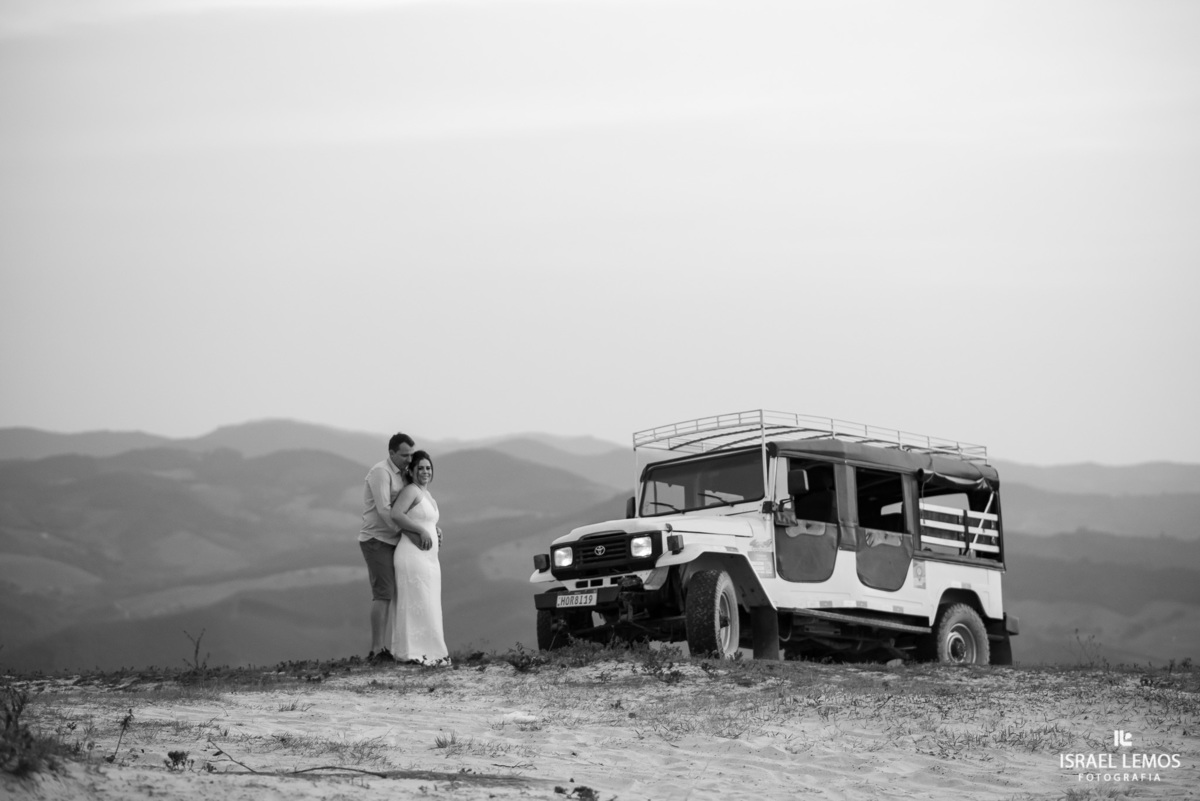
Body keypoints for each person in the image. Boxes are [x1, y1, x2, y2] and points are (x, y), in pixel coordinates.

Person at [358, 432, 414, 664]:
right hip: (377, 539)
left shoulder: (403, 474)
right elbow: (384, 510)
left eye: (411, 455)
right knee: (383, 593)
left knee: (394, 593)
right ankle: (376, 650)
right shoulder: (381, 472)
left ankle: (391, 647)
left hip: (395, 541)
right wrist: (407, 533)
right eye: (404, 455)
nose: (409, 459)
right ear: (391, 453)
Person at [389, 450, 449, 665]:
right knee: (416, 600)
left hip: (430, 558)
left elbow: (426, 519)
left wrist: (435, 529)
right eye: (421, 468)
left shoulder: (427, 494)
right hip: (412, 556)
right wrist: (422, 531)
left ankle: (431, 651)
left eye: (428, 468)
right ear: (412, 471)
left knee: (429, 602)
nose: (425, 471)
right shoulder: (411, 491)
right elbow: (396, 514)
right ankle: (411, 651)